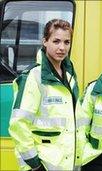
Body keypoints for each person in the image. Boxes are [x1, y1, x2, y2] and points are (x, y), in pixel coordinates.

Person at [9, 19, 80, 170]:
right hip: (43, 165)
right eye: (56, 41)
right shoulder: (34, 76)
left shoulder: (70, 75)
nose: (62, 47)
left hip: (65, 164)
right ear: (45, 42)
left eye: (67, 42)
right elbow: (18, 124)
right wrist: (35, 165)